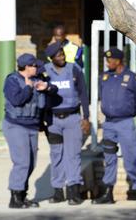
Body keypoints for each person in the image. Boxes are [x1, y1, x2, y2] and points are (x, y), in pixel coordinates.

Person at [93, 47, 136, 206]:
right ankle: (107, 194)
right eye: (106, 60)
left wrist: (128, 113)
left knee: (132, 158)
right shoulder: (103, 77)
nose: (107, 63)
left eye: (110, 60)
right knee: (109, 158)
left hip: (125, 123)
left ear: (119, 61)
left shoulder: (132, 78)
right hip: (109, 124)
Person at [3, 53, 56, 209]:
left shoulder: (37, 79)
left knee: (31, 163)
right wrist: (27, 87)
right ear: (26, 67)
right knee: (22, 162)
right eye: (34, 65)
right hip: (16, 125)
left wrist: (46, 87)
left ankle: (22, 195)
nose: (37, 68)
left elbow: (54, 90)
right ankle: (15, 198)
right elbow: (17, 100)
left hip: (32, 126)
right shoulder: (12, 80)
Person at [43, 42, 91, 205]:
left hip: (72, 118)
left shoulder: (74, 69)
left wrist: (86, 117)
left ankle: (73, 191)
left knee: (73, 155)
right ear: (51, 58)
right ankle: (57, 191)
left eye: (63, 54)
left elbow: (84, 93)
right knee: (56, 155)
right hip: (53, 120)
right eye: (58, 56)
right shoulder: (45, 70)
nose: (62, 57)